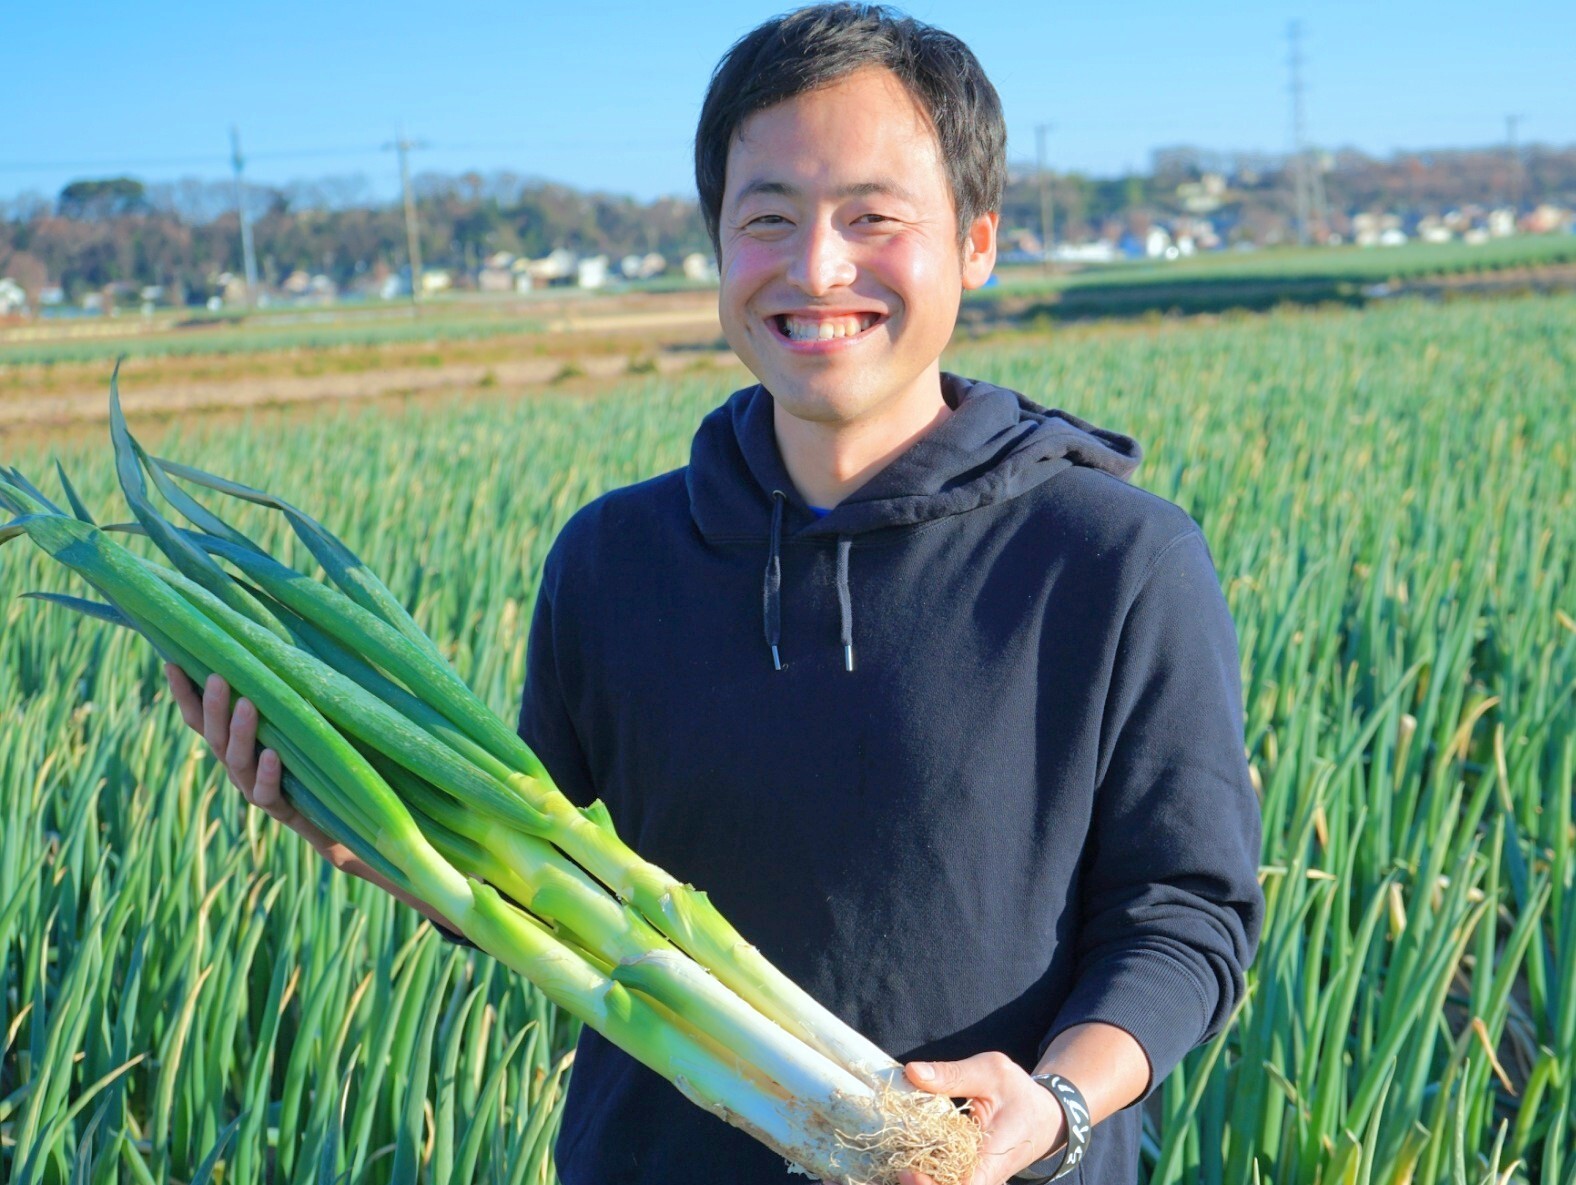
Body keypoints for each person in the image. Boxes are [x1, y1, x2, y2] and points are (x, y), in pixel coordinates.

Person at [168, 5, 1264, 1182]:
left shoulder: (1110, 555)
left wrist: (1054, 1103)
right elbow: (532, 876)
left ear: (977, 244)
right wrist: (368, 826)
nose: (816, 269)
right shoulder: (614, 557)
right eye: (768, 222)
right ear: (717, 250)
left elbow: (1185, 916)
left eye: (872, 219)